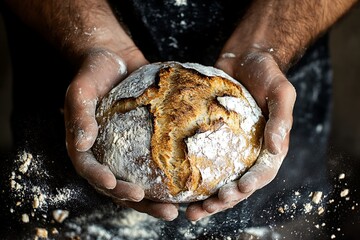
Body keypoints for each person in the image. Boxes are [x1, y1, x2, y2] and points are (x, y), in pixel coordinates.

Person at [0, 0, 358, 238]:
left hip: (268, 90)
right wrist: (91, 37)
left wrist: (268, 44)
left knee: (275, 226)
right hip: (71, 73)